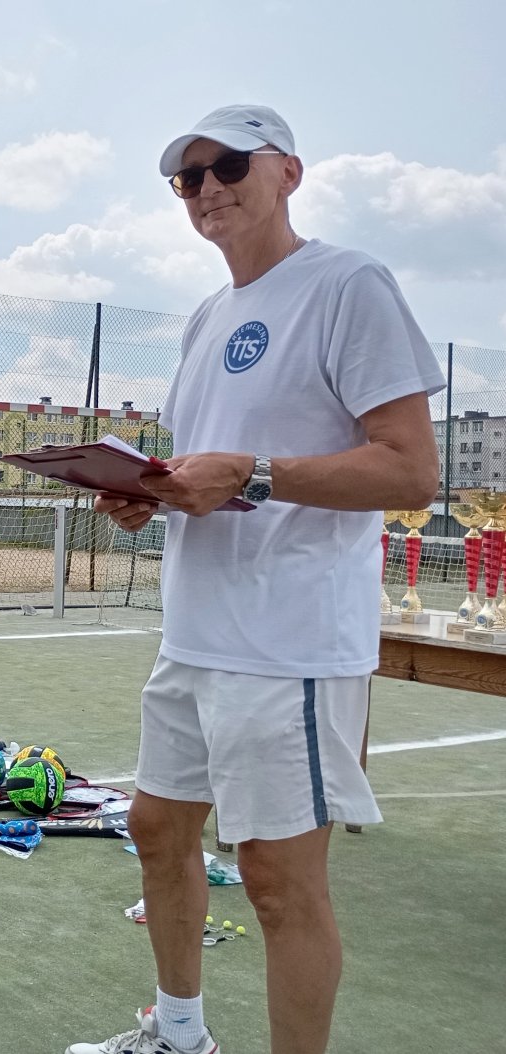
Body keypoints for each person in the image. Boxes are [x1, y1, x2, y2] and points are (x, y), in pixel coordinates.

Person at [68, 106, 443, 1054]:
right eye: (187, 178)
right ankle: (179, 1034)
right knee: (157, 830)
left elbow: (411, 471)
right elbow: (214, 472)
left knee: (279, 883)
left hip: (291, 645)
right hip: (195, 632)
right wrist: (151, 495)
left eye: (228, 165)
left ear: (288, 173)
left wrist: (255, 472)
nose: (207, 189)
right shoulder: (207, 317)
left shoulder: (349, 284)